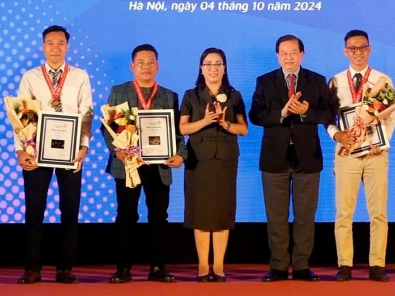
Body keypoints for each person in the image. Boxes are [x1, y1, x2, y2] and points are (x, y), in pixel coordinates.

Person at [248, 34, 335, 282]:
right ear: (277, 56)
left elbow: (329, 112)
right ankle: (278, 266)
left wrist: (307, 111)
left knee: (305, 216)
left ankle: (301, 266)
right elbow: (255, 115)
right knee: (276, 216)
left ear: (302, 54)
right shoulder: (265, 81)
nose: (289, 57)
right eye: (284, 53)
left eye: (293, 52)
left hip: (307, 157)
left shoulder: (316, 80)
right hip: (274, 157)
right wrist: (282, 113)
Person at [14, 25, 93, 285]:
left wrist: (83, 147)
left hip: (70, 152)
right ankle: (32, 268)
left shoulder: (80, 76)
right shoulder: (30, 77)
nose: (55, 47)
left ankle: (65, 268)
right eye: (50, 43)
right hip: (36, 151)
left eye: (60, 43)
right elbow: (22, 114)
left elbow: (87, 112)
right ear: (43, 47)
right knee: (34, 208)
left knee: (69, 208)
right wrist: (20, 150)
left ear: (67, 47)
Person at [101, 44, 187, 283]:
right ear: (132, 66)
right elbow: (108, 128)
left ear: (157, 66)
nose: (146, 66)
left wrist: (181, 154)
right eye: (141, 62)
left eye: (150, 62)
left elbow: (177, 132)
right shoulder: (119, 91)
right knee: (126, 215)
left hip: (159, 165)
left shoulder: (169, 96)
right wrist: (117, 150)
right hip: (128, 165)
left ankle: (158, 267)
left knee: (159, 216)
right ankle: (123, 268)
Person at [325, 30, 395, 282]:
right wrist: (337, 135)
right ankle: (344, 264)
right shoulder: (335, 82)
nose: (358, 52)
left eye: (362, 47)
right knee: (343, 212)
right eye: (352, 48)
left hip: (375, 154)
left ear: (369, 49)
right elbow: (327, 118)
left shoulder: (382, 79)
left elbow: (390, 117)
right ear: (345, 51)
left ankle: (377, 265)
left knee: (378, 212)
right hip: (346, 154)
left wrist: (383, 142)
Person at [179, 48, 248, 282]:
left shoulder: (234, 96)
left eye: (218, 64)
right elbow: (182, 128)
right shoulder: (191, 95)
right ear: (201, 68)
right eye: (208, 64)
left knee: (222, 213)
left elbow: (243, 129)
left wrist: (224, 123)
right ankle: (202, 266)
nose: (213, 68)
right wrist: (206, 120)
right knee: (200, 212)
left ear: (224, 68)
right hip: (198, 159)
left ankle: (218, 266)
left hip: (226, 159)